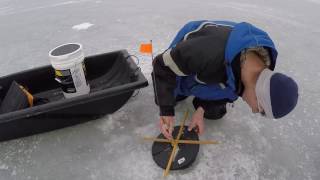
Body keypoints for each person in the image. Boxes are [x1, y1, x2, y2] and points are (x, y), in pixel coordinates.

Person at [151, 20, 299, 139]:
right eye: (259, 109)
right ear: (258, 93)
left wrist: (201, 109)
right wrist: (166, 111)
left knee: (215, 112)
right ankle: (184, 89)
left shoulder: (255, 73)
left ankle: (200, 100)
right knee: (170, 96)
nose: (253, 111)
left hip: (219, 66)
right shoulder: (205, 54)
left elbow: (229, 91)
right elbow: (161, 66)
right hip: (193, 51)